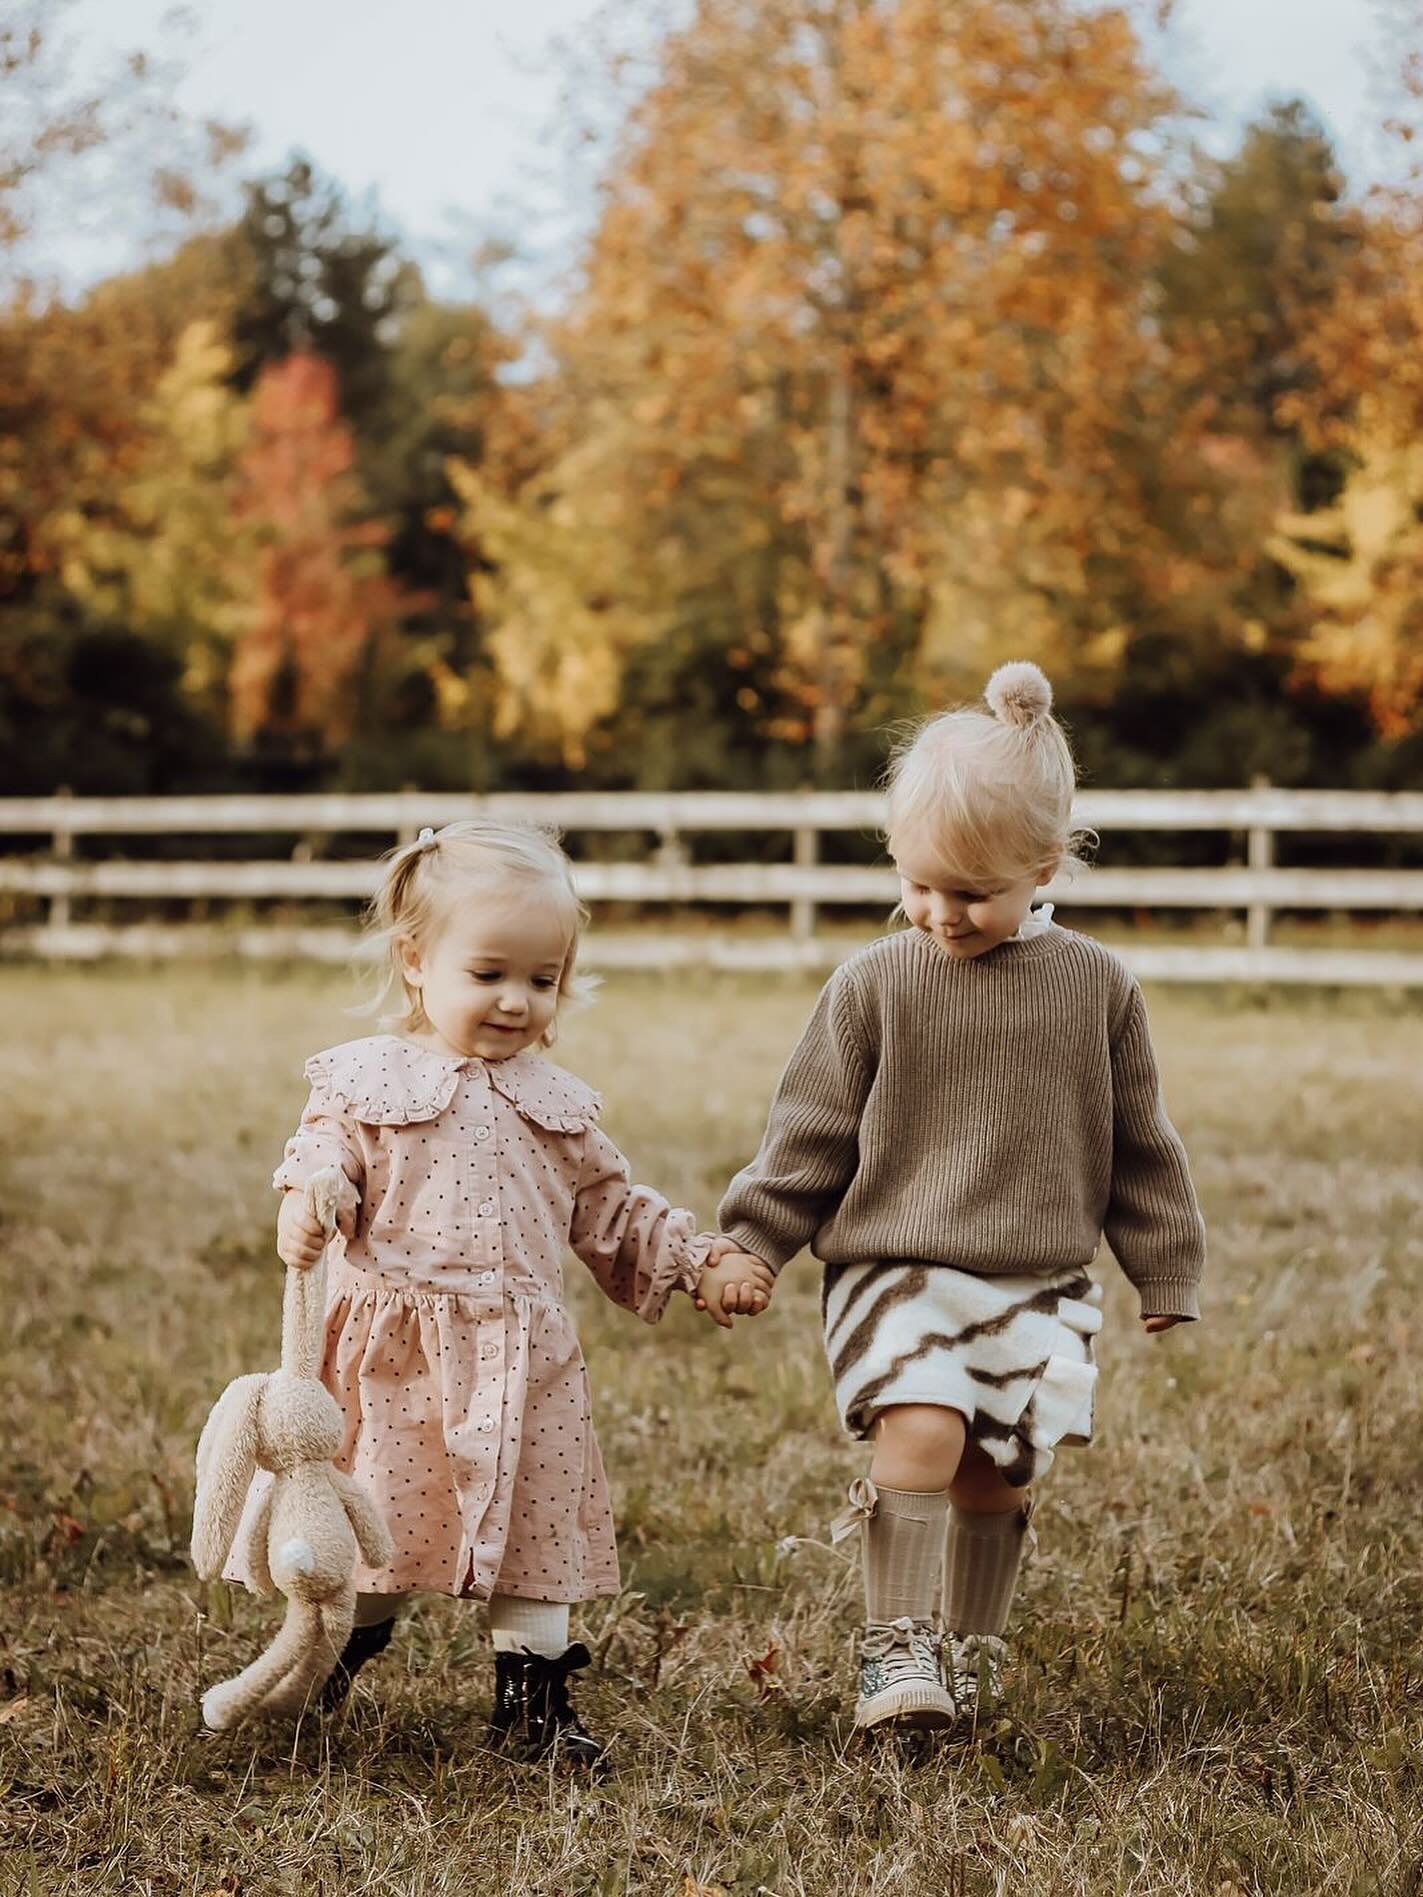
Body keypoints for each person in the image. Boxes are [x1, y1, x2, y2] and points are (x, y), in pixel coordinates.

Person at [714, 662, 1206, 1733]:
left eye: (971, 893)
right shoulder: (872, 985)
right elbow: (808, 1133)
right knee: (924, 1430)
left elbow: (1139, 1145)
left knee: (993, 1474)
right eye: (918, 884)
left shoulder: (1097, 987)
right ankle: (894, 1651)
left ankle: (968, 1652)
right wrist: (753, 1241)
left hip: (1036, 1277)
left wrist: (1164, 1266)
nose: (939, 913)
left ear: (1044, 866)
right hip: (896, 1266)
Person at [255, 818, 771, 1763]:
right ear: (416, 961)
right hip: (396, 1360)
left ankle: (533, 1705)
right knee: (379, 1526)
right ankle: (323, 1656)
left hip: (523, 1365)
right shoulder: (369, 1079)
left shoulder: (555, 1104)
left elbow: (613, 1209)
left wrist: (701, 1261)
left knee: (535, 1529)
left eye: (542, 980)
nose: (515, 1001)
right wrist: (312, 1196)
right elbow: (324, 1150)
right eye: (488, 973)